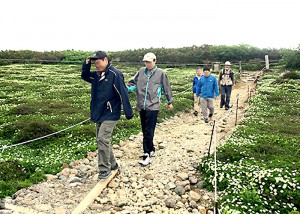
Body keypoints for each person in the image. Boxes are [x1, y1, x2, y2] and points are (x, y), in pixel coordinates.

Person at [81, 51, 133, 179]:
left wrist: (128, 113)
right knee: (102, 140)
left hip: (111, 113)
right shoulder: (97, 75)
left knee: (102, 139)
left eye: (98, 63)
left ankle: (104, 169)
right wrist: (86, 64)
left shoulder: (115, 74)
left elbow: (123, 93)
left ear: (105, 60)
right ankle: (113, 164)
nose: (96, 65)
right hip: (98, 112)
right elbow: (85, 76)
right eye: (95, 63)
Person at [128, 52, 173, 166]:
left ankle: (146, 153)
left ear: (155, 61)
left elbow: (166, 88)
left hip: (153, 106)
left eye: (149, 61)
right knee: (145, 129)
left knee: (148, 130)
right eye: (145, 62)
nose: (147, 64)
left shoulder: (161, 73)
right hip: (141, 105)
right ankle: (151, 149)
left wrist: (169, 101)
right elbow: (133, 82)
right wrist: (126, 88)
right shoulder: (141, 71)